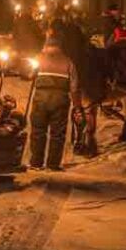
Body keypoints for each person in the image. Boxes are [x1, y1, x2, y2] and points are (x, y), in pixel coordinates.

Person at [28, 25, 79, 171]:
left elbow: (30, 75)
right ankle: (53, 164)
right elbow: (74, 85)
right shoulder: (68, 61)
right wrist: (76, 105)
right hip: (60, 99)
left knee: (38, 130)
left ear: (46, 45)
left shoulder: (39, 58)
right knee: (57, 133)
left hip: (41, 98)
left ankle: (36, 163)